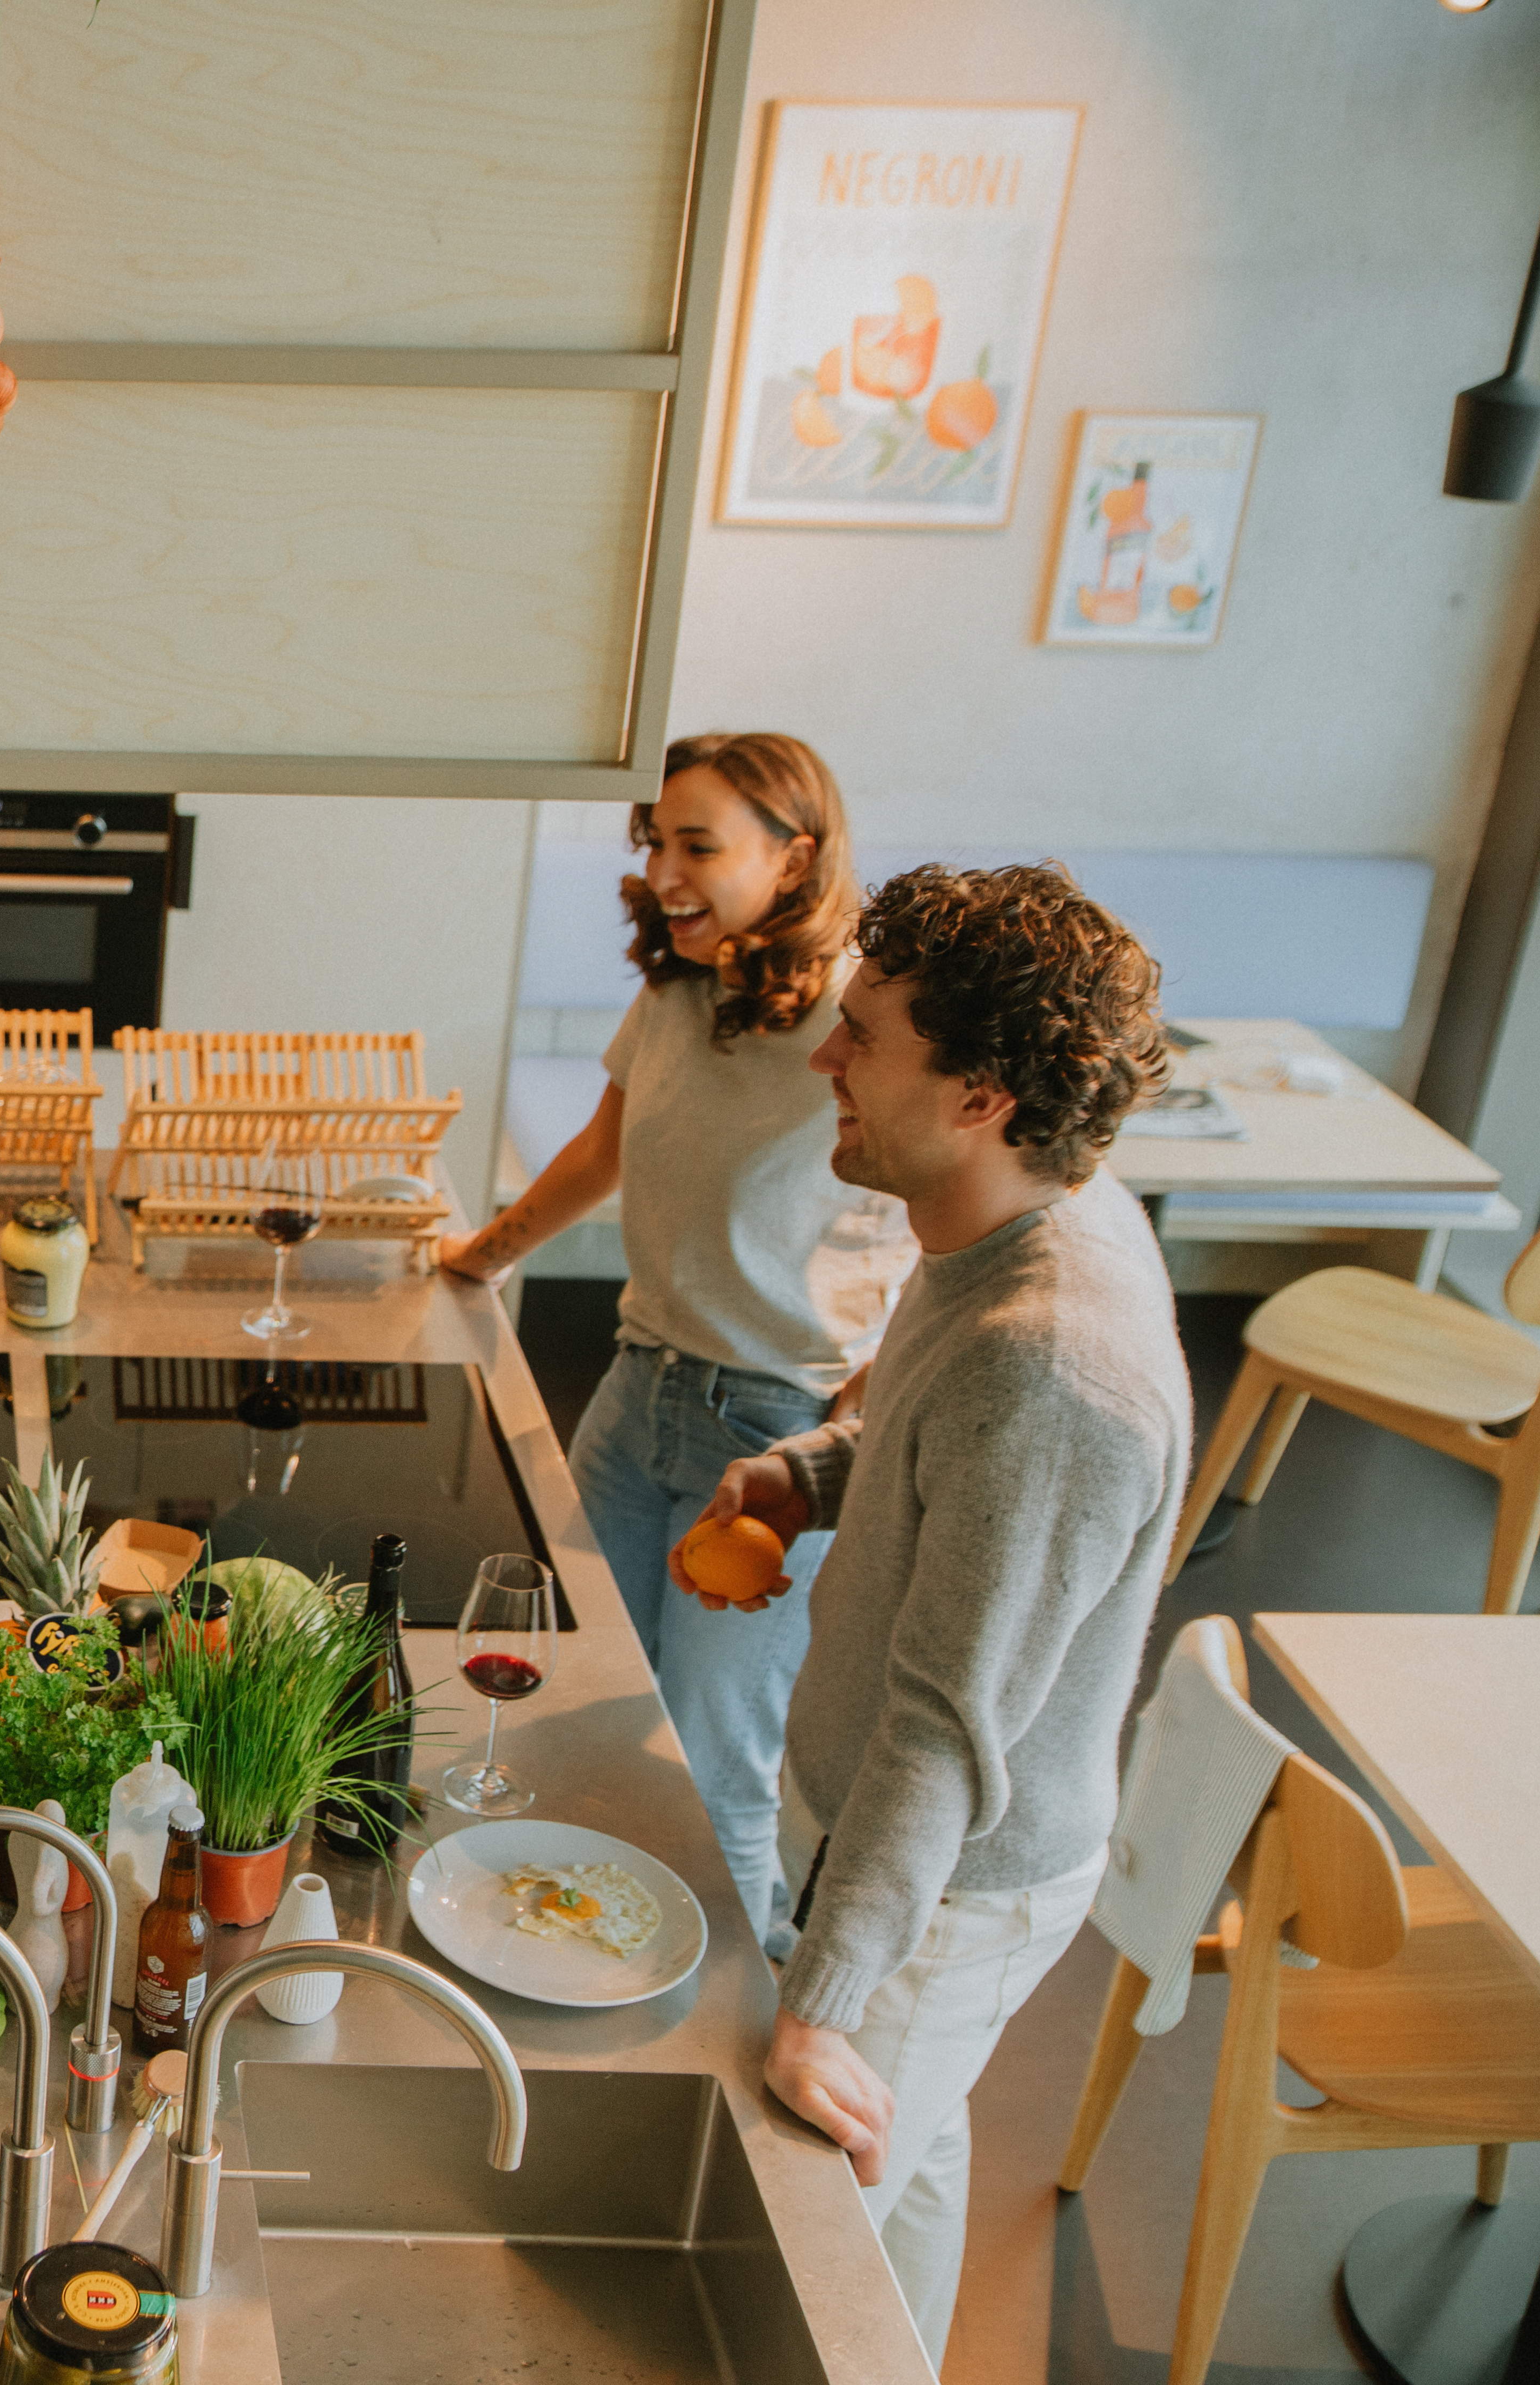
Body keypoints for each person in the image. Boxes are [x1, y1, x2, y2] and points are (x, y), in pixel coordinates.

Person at [688, 864, 1188, 2371]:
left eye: (867, 1037)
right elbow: (922, 1442)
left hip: (937, 1883)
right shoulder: (999, 1223)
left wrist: (828, 2004)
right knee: (912, 2167)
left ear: (978, 1092)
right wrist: (803, 1474)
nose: (828, 1059)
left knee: (801, 2248)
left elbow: (947, 1733)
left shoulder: (1054, 1368)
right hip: (897, 1842)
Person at [438, 736, 913, 1947]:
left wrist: (850, 1422)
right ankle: (593, 1943)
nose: (661, 870)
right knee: (590, 1695)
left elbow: (942, 1213)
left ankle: (748, 2049)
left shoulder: (867, 1017)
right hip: (635, 1388)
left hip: (770, 1428)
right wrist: (479, 1256)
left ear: (794, 853)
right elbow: (605, 1150)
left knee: (718, 1757)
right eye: (654, 841)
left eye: (697, 844)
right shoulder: (677, 993)